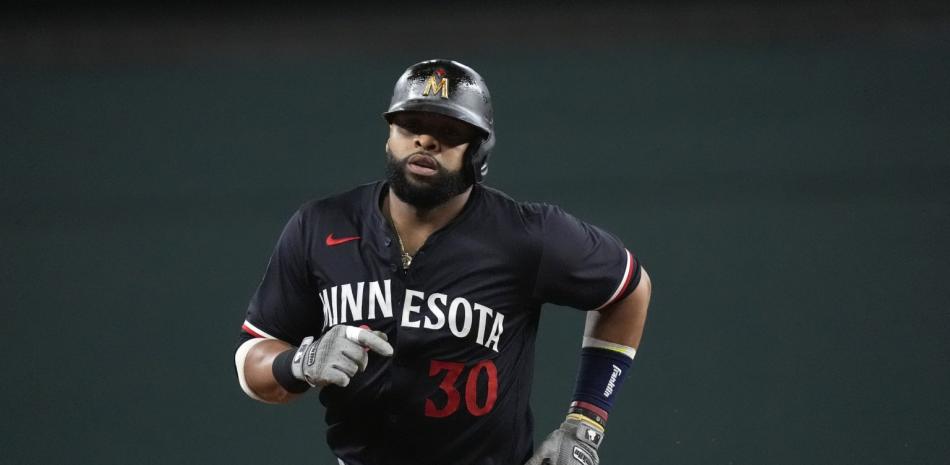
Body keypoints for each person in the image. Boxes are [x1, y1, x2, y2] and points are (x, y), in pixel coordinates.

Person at [233, 58, 652, 465]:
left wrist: (585, 423)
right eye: (411, 125)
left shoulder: (528, 235)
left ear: (479, 150)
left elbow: (629, 289)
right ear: (389, 135)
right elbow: (253, 361)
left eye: (448, 131)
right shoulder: (319, 226)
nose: (425, 141)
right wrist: (298, 362)